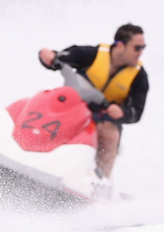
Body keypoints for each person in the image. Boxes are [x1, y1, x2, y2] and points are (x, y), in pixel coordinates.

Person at [38, 23, 148, 180]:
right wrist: (49, 56)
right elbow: (61, 58)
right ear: (120, 45)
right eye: (137, 48)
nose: (140, 53)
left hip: (104, 119)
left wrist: (122, 112)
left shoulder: (139, 76)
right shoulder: (92, 55)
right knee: (47, 101)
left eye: (143, 47)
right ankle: (29, 149)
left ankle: (101, 181)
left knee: (109, 131)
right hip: (73, 108)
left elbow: (136, 112)